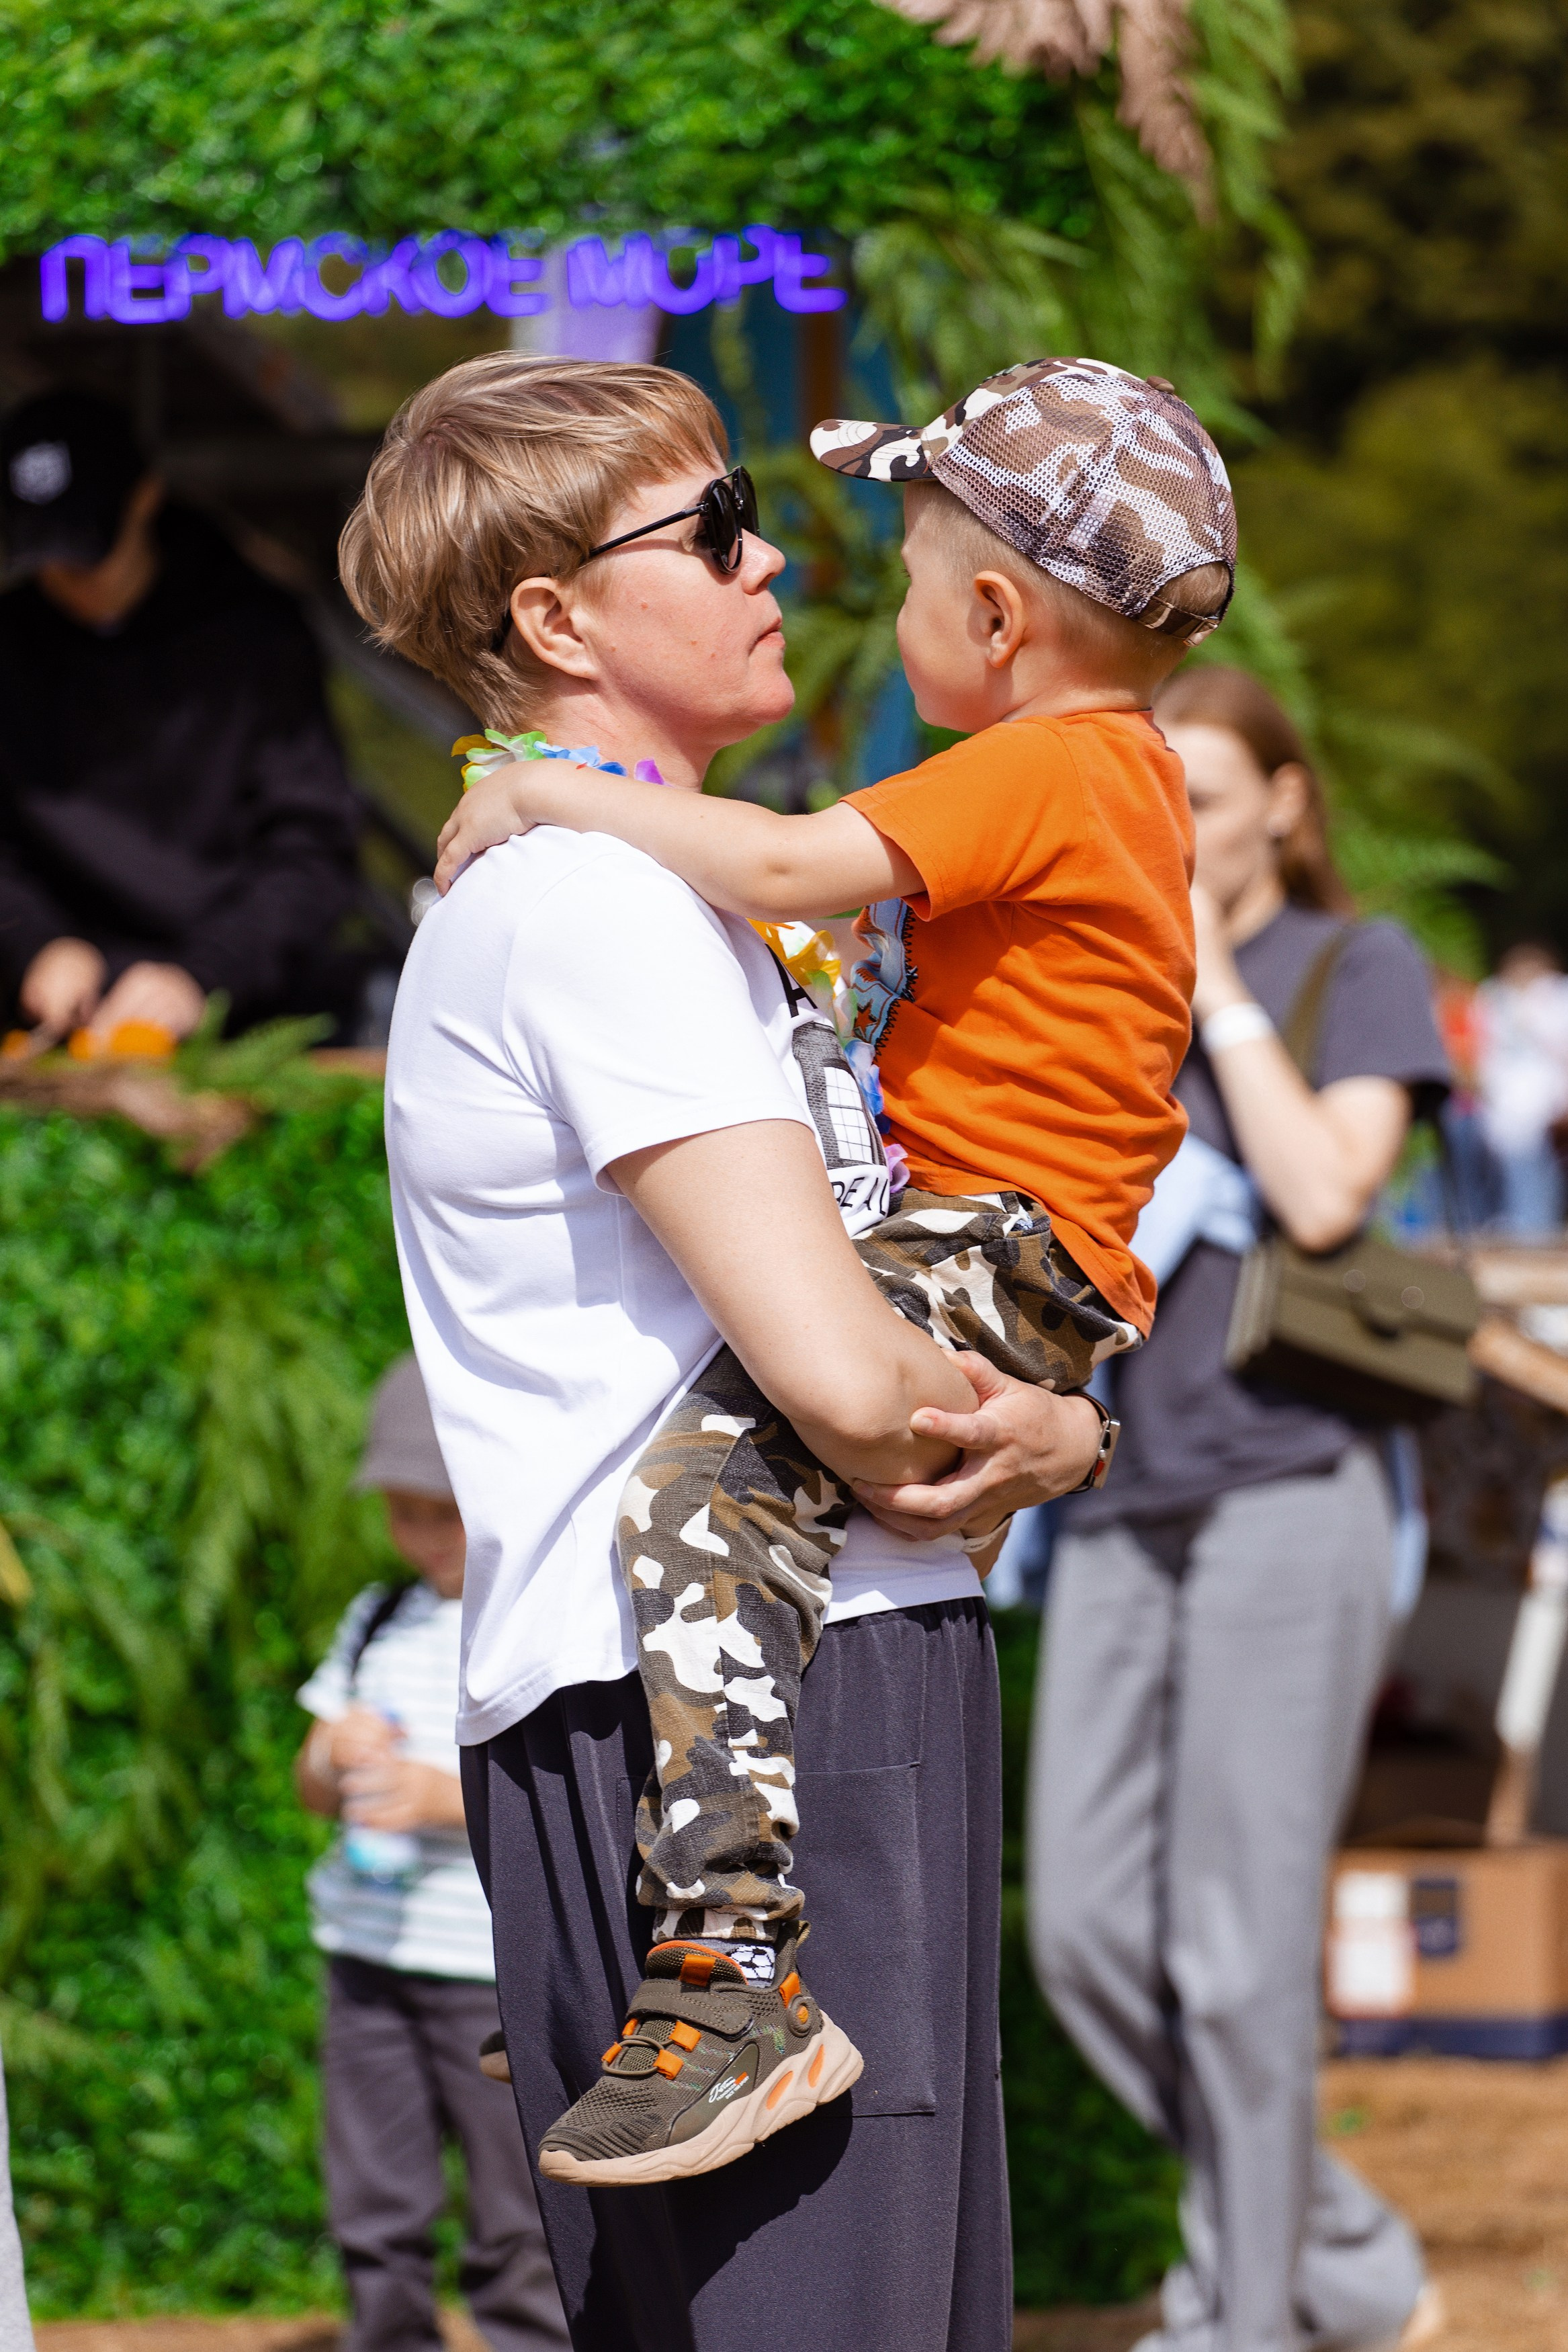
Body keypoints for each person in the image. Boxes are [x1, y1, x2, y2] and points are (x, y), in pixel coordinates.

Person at [340, 349, 1104, 2352]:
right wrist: (1048, 1432)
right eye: (717, 525)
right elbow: (846, 1383)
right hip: (742, 1719)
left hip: (738, 1691)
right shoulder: (595, 904)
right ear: (555, 615)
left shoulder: (619, 877)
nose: (777, 559)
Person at [433, 355, 1233, 2185]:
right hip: (1015, 1240)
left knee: (713, 1490)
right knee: (762, 1489)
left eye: (891, 573)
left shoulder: (1043, 761)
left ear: (990, 614)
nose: (810, 581)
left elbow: (792, 861)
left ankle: (725, 1972)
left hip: (993, 1231)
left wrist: (549, 788)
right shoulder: (1108, 770)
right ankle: (660, 1936)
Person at [1028, 664, 1450, 2352]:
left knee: (1237, 1950)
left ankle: (1244, 2320)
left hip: (1294, 1487)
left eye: (1197, 800)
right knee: (1076, 1929)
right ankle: (1338, 2257)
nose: (1172, 836)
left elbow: (1327, 1192)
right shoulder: (1107, 987)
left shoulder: (1356, 966)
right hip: (1128, 1495)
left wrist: (1209, 986)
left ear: (1281, 800)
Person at [295, 1355, 568, 2352]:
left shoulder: (529, 1630)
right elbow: (309, 1782)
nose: (422, 1538)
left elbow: (555, 1805)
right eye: (403, 1513)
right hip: (367, 1963)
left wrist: (435, 1801)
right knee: (375, 2200)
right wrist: (331, 1754)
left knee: (515, 2212)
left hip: (481, 1977)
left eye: (442, 1512)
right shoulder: (379, 1617)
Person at [0, 390, 362, 1044]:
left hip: (244, 1012)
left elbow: (314, 852)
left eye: (85, 548)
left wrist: (200, 975)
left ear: (145, 497)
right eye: (42, 551)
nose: (64, 573)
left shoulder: (257, 634)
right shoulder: (9, 643)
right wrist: (36, 943)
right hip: (48, 1022)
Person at [1473, 941, 1568, 1237]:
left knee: (1528, 1178)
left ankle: (1531, 1234)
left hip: (1522, 1106)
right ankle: (1532, 1236)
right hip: (1526, 1106)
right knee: (1533, 1179)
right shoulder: (1500, 998)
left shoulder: (1498, 997)